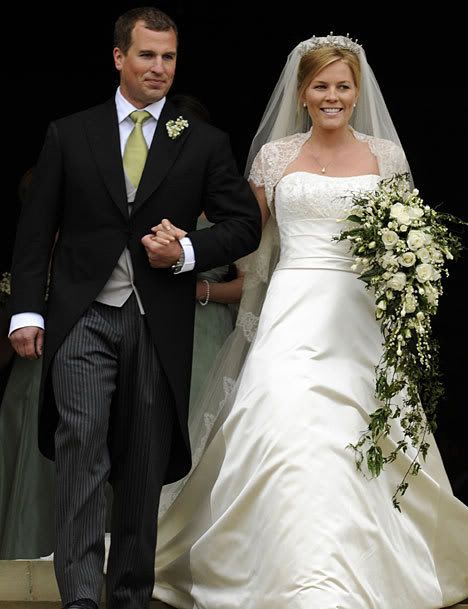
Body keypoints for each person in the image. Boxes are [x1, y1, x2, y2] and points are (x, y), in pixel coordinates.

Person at [151, 35, 468, 608]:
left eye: (343, 86)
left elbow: (407, 235)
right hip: (292, 308)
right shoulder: (276, 157)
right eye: (321, 86)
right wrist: (185, 240)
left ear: (357, 92)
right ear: (301, 93)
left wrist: (408, 273)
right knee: (280, 420)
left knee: (357, 432)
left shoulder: (385, 157)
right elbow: (243, 231)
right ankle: (280, 568)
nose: (332, 96)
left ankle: (356, 567)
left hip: (359, 318)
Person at [8, 7, 261, 609]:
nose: (159, 67)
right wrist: (26, 311)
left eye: (169, 56)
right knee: (80, 445)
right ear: (119, 57)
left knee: (143, 463)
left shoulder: (201, 141)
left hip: (156, 321)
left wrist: (186, 251)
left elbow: (244, 225)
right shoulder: (71, 132)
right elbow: (36, 230)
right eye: (147, 54)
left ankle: (128, 595)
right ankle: (80, 597)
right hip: (83, 315)